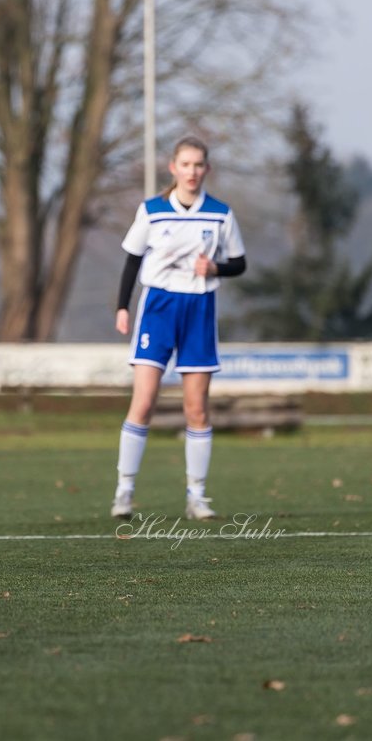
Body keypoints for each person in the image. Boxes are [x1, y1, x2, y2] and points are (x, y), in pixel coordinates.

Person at [110, 135, 246, 522]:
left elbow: (239, 263)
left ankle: (197, 497)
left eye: (198, 165)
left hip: (199, 308)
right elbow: (132, 260)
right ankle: (124, 490)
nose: (192, 171)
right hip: (158, 307)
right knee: (144, 401)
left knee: (197, 409)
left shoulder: (220, 213)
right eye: (185, 164)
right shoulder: (152, 210)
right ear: (173, 168)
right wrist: (122, 306)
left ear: (207, 169)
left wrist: (216, 268)